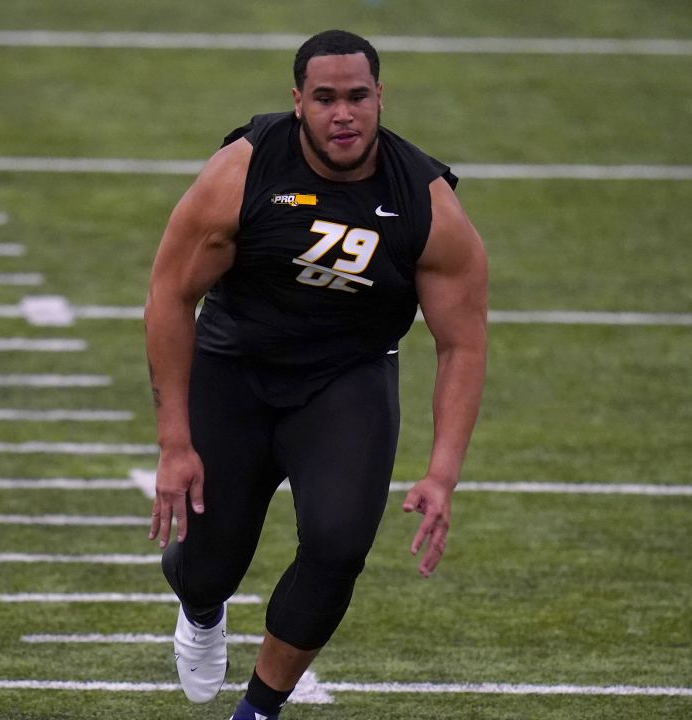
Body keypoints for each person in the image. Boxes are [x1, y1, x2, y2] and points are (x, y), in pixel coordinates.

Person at [143, 29, 488, 720]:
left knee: (337, 545)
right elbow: (169, 297)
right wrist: (175, 442)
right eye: (325, 98)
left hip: (345, 379)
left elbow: (463, 344)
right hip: (234, 369)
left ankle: (259, 709)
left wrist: (442, 473)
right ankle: (202, 607)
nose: (344, 114)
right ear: (297, 101)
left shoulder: (426, 204)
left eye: (358, 97)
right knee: (212, 563)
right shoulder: (241, 174)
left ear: (380, 98)